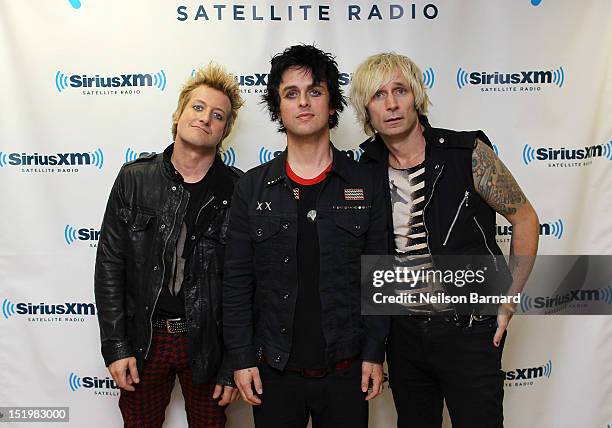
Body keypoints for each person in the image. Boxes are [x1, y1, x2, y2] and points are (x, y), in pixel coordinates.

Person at [349, 52, 539, 428]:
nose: (391, 104)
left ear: (416, 96)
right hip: (403, 337)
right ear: (366, 111)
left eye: (399, 90)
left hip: (468, 328)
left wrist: (509, 299)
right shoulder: (364, 171)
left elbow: (525, 218)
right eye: (378, 96)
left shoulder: (464, 153)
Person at [222, 44, 387, 428]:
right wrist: (242, 357)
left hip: (347, 371)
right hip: (274, 372)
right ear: (277, 108)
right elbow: (236, 283)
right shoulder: (252, 188)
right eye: (290, 94)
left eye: (315, 91)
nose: (304, 103)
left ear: (332, 104)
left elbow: (381, 275)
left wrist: (375, 352)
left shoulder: (365, 182)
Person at [94, 63, 244, 427]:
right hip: (146, 338)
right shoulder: (134, 179)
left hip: (210, 341)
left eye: (218, 115)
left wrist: (234, 362)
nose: (206, 118)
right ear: (178, 115)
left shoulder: (240, 190)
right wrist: (116, 346)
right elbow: (110, 266)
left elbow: (245, 282)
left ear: (224, 130)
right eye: (197, 107)